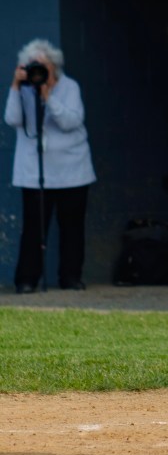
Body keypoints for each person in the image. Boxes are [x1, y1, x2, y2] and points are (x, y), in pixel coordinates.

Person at [4, 39, 96, 293]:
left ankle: (70, 277)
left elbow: (71, 121)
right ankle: (26, 279)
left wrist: (48, 96)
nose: (39, 71)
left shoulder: (70, 87)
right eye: (35, 66)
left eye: (44, 66)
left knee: (72, 227)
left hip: (72, 170)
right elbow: (12, 119)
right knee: (34, 227)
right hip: (35, 172)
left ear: (54, 67)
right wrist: (15, 85)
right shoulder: (23, 88)